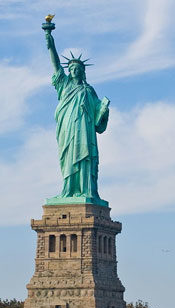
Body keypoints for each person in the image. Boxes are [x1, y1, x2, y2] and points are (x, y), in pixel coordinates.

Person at [44, 29, 110, 203]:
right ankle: (68, 190)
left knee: (86, 157)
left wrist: (103, 110)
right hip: (67, 128)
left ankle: (86, 190)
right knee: (67, 158)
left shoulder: (89, 90)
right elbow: (56, 64)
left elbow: (98, 116)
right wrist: (50, 41)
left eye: (76, 69)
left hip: (84, 131)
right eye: (71, 69)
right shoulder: (64, 85)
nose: (73, 71)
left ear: (82, 71)